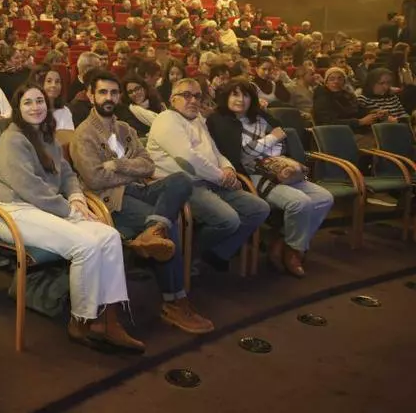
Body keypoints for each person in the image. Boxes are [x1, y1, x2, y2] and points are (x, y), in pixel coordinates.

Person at [0, 83, 145, 352]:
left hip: (46, 207)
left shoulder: (46, 135)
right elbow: (30, 188)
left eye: (39, 101)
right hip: (14, 211)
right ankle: (81, 321)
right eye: (28, 102)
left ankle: (108, 320)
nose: (35, 107)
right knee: (86, 245)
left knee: (109, 236)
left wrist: (75, 196)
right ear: (17, 108)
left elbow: (67, 173)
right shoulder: (12, 139)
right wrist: (70, 210)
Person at [71, 70, 212, 334]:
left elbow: (148, 165)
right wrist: (131, 168)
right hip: (110, 200)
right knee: (170, 224)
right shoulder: (84, 134)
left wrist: (118, 165)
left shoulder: (125, 128)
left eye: (114, 92)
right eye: (102, 92)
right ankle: (174, 301)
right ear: (90, 95)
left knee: (181, 180)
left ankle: (153, 230)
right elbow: (95, 178)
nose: (109, 97)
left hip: (138, 188)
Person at [207, 79, 334, 277]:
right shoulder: (219, 120)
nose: (240, 99)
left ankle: (282, 242)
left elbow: (281, 145)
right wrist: (271, 138)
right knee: (300, 203)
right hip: (251, 175)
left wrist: (265, 147)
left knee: (324, 197)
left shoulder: (261, 116)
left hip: (279, 169)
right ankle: (294, 252)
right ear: (226, 97)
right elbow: (243, 155)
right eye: (235, 94)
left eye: (246, 95)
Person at [147, 78, 270, 271]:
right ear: (172, 99)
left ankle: (217, 252)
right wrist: (222, 178)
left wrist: (228, 168)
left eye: (197, 96)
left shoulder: (197, 120)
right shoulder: (166, 119)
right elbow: (187, 160)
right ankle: (187, 256)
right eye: (186, 95)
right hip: (184, 184)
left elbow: (215, 152)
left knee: (259, 208)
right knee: (228, 220)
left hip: (211, 180)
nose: (193, 100)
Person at [313, 67, 390, 147]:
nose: (336, 81)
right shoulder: (322, 98)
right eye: (332, 79)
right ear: (326, 82)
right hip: (337, 135)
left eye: (340, 78)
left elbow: (360, 110)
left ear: (344, 82)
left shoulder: (348, 95)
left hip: (356, 131)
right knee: (381, 142)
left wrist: (375, 113)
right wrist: (360, 122)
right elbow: (328, 123)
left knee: (386, 135)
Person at [29, 64, 74, 132]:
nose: (53, 85)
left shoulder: (65, 111)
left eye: (57, 82)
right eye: (49, 81)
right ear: (39, 84)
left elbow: (69, 136)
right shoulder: (31, 111)